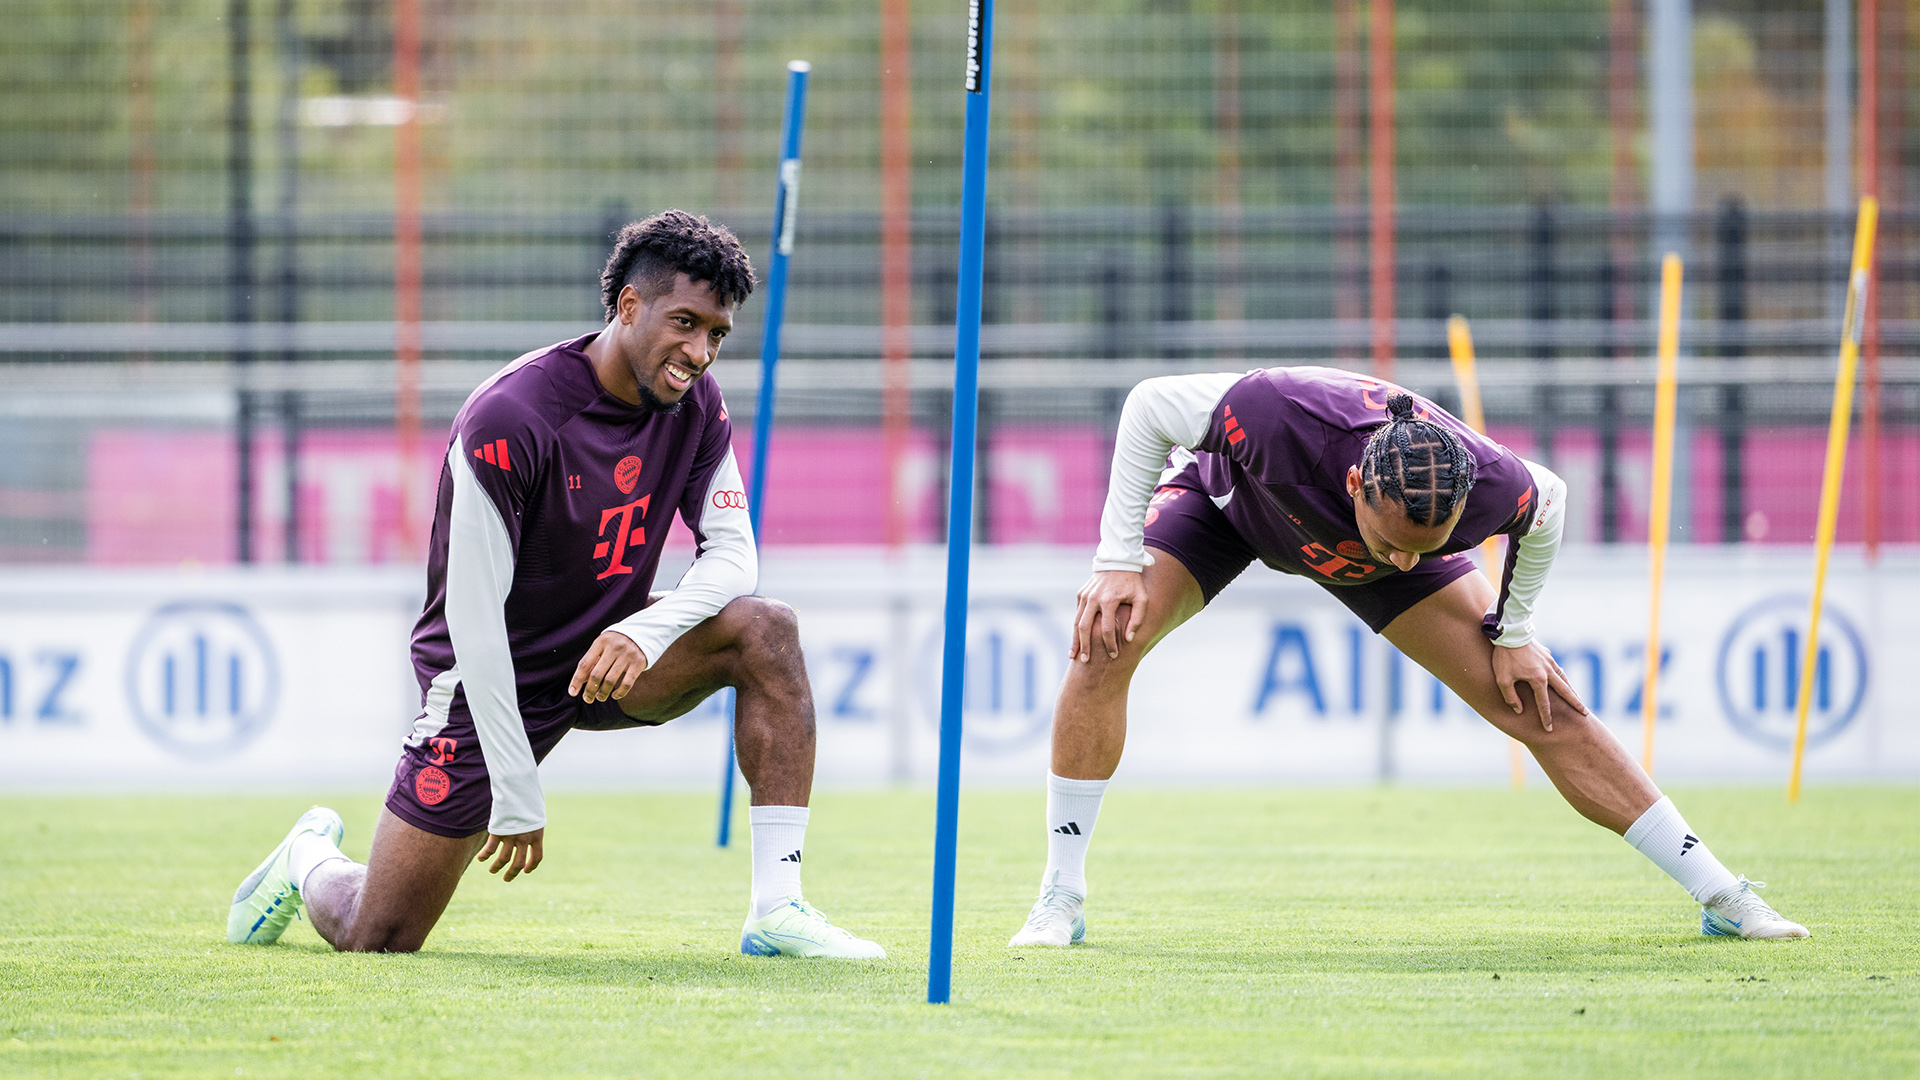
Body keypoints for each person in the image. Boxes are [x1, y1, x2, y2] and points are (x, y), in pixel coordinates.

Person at [227, 210, 883, 959]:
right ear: (628, 307)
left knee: (767, 629)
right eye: (686, 323)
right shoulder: (510, 418)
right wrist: (513, 781)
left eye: (717, 334)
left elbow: (734, 556)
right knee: (377, 938)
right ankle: (307, 858)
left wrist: (644, 628)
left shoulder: (696, 403)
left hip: (604, 657)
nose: (700, 352)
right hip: (484, 681)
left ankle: (778, 909)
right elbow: (473, 625)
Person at [1008, 365, 1808, 947]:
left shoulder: (1489, 487)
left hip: (1352, 542)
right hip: (1228, 508)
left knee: (1537, 700)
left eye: (1420, 547)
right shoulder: (1274, 412)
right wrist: (1117, 557)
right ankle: (1060, 896)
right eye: (1391, 540)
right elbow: (1149, 403)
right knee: (1102, 642)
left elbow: (1550, 504)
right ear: (1356, 481)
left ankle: (1721, 894)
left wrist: (1515, 632)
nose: (1398, 562)